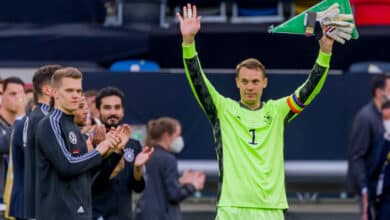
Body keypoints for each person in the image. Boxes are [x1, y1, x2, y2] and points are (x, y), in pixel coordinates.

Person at [176, 3, 352, 219]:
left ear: (265, 83)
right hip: (232, 209)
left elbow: (309, 91)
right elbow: (197, 80)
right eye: (245, 81)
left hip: (271, 209)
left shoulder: (277, 111)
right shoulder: (222, 109)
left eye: (255, 81)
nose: (250, 86)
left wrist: (325, 53)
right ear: (237, 83)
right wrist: (188, 42)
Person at [35, 67, 128, 220]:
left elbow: (86, 171)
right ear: (55, 93)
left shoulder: (74, 127)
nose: (76, 96)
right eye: (70, 90)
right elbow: (67, 166)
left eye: (78, 91)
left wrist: (112, 151)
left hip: (80, 211)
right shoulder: (50, 123)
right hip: (59, 214)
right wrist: (99, 150)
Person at [92, 86, 154, 220]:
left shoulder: (133, 144)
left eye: (117, 107)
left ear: (123, 111)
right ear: (98, 111)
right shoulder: (90, 142)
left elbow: (138, 188)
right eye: (107, 108)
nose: (113, 112)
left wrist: (138, 169)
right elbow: (93, 185)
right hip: (98, 215)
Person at [134, 117, 205, 220]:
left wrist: (180, 182)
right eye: (178, 135)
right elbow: (173, 195)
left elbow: (157, 186)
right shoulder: (168, 159)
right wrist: (193, 186)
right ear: (167, 136)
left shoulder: (147, 155)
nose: (179, 139)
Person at [348, 74, 390, 220]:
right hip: (371, 188)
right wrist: (364, 188)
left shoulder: (384, 116)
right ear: (379, 92)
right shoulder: (365, 118)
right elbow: (357, 156)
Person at [23, 64, 62, 219]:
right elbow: (64, 164)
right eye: (63, 87)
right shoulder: (45, 120)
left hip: (39, 203)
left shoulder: (38, 116)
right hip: (45, 206)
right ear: (48, 90)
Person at [0, 77, 25, 203]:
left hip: (18, 196)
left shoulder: (25, 124)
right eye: (13, 94)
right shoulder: (21, 122)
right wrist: (20, 118)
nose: (19, 98)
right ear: (2, 96)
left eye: (21, 94)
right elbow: (4, 145)